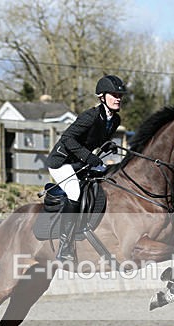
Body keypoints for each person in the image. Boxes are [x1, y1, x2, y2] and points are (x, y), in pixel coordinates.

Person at [46, 74, 126, 261]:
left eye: (120, 95)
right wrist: (88, 157)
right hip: (62, 162)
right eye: (113, 95)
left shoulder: (115, 120)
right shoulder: (89, 116)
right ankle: (64, 246)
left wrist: (108, 144)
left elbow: (99, 139)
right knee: (74, 192)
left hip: (81, 163)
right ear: (102, 97)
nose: (118, 98)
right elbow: (67, 139)